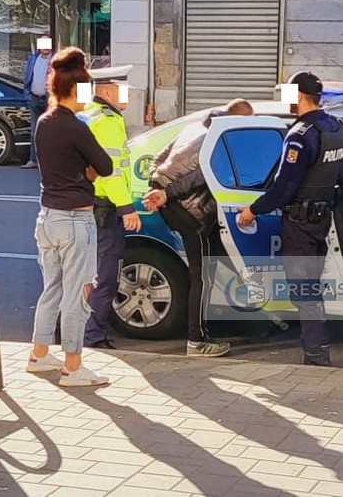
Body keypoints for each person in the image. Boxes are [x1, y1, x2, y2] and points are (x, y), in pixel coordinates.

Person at [236, 72, 343, 367]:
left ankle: (316, 356)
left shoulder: (301, 135)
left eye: (288, 94)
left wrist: (253, 210)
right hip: (320, 220)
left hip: (300, 223)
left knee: (304, 290)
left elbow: (284, 187)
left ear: (299, 95)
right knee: (311, 287)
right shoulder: (337, 128)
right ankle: (318, 348)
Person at [26, 46, 114, 387]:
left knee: (51, 289)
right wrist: (87, 174)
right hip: (77, 220)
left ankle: (39, 353)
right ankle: (73, 366)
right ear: (75, 90)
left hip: (47, 217)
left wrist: (82, 172)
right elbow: (105, 166)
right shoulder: (77, 127)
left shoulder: (44, 123)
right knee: (78, 293)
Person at [143, 98, 255, 357]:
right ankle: (196, 340)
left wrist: (156, 188)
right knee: (202, 276)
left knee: (215, 264)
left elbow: (157, 158)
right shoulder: (219, 141)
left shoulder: (193, 127)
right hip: (191, 214)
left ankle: (254, 309)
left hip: (174, 207)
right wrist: (166, 194)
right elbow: (202, 175)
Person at [78, 65, 142, 349]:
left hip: (89, 207)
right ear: (105, 91)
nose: (128, 95)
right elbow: (112, 172)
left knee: (83, 273)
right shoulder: (107, 122)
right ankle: (92, 335)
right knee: (105, 276)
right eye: (123, 89)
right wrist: (127, 208)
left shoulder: (88, 115)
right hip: (105, 210)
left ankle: (74, 329)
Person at [22, 36, 55, 169]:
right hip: (35, 98)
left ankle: (49, 161)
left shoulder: (55, 60)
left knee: (50, 131)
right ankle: (33, 159)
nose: (45, 47)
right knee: (34, 132)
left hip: (49, 101)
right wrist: (28, 95)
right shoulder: (33, 59)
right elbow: (27, 77)